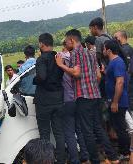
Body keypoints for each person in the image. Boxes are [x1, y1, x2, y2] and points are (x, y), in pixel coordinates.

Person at [55, 29, 119, 164]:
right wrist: (92, 86)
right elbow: (98, 76)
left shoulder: (75, 53)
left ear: (72, 40)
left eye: (66, 42)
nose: (65, 44)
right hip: (95, 95)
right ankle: (113, 157)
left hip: (83, 97)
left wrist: (61, 65)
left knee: (87, 131)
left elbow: (76, 73)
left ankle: (95, 160)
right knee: (98, 128)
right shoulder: (90, 53)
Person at [34, 33, 66, 164]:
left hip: (44, 101)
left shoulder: (41, 59)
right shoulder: (59, 57)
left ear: (41, 44)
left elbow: (41, 77)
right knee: (59, 132)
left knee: (44, 133)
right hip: (58, 98)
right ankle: (61, 160)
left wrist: (34, 80)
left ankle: (47, 161)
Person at [58, 41, 89, 164]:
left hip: (67, 99)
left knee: (69, 132)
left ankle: (74, 159)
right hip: (78, 98)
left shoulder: (61, 59)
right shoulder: (78, 59)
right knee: (79, 129)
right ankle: (85, 156)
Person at [103, 40, 131, 158]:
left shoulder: (117, 62)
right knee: (117, 126)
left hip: (118, 101)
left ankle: (125, 152)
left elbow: (119, 82)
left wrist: (115, 102)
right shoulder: (113, 62)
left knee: (120, 128)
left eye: (104, 48)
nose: (103, 50)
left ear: (109, 50)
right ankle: (123, 150)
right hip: (114, 100)